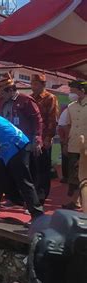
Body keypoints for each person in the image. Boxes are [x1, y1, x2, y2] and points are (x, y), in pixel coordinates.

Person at [0, 73, 44, 205]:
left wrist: (37, 139)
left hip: (22, 143)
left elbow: (37, 121)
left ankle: (32, 204)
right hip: (5, 143)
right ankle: (8, 199)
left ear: (10, 90)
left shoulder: (25, 100)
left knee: (24, 175)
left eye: (2, 92)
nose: (0, 95)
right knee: (2, 172)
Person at [30, 74, 59, 202]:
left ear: (43, 85)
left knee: (42, 168)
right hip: (31, 137)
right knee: (32, 167)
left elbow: (53, 119)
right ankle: (31, 195)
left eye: (36, 84)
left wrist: (48, 137)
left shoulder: (50, 98)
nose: (33, 86)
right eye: (32, 84)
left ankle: (40, 197)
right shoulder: (30, 98)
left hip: (44, 138)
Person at [62, 80, 87, 209]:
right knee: (74, 175)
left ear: (82, 90)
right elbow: (68, 125)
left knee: (84, 174)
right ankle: (76, 201)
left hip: (85, 147)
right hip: (73, 145)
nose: (71, 93)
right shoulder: (71, 106)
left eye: (73, 90)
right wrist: (66, 143)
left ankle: (79, 201)